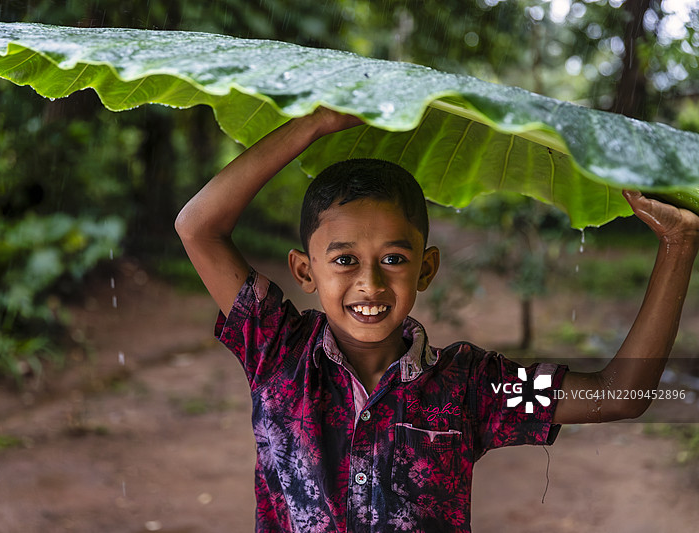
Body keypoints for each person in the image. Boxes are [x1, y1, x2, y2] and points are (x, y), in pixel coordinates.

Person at [174, 108, 699, 532]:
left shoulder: (471, 387)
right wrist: (313, 122)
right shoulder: (278, 350)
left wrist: (678, 245)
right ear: (303, 270)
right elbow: (197, 226)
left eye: (394, 259)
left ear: (427, 269)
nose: (370, 284)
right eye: (344, 260)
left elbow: (620, 394)